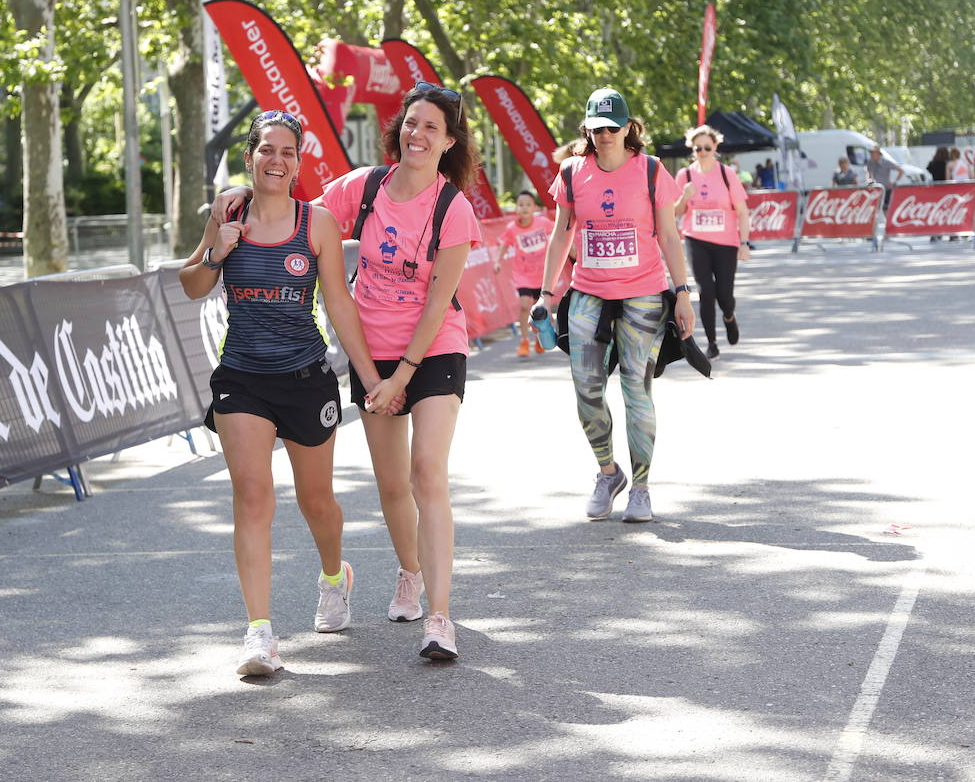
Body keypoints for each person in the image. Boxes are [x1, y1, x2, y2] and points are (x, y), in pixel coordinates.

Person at [214, 83, 482, 660]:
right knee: (390, 486)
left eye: (431, 127)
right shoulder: (362, 188)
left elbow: (438, 304)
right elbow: (287, 203)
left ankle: (440, 617)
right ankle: (408, 573)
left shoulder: (452, 209)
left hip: (431, 349)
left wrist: (403, 376)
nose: (417, 134)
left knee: (426, 472)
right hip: (371, 351)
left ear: (449, 140)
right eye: (411, 123)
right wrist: (239, 191)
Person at [182, 110, 399, 676]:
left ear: (298, 163)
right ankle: (259, 634)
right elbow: (191, 284)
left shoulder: (318, 223)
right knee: (253, 498)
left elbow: (339, 305)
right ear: (251, 156)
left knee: (316, 503)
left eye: (287, 153)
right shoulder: (227, 210)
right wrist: (217, 250)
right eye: (266, 151)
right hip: (242, 377)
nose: (276, 161)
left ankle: (335, 577)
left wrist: (371, 378)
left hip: (305, 376)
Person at [532, 87, 694, 526]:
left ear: (628, 129)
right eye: (596, 127)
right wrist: (546, 295)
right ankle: (608, 473)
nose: (604, 135)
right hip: (588, 294)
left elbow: (669, 235)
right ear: (586, 129)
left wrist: (682, 292)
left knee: (636, 391)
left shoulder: (652, 171)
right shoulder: (570, 172)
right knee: (586, 392)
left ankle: (641, 487)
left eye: (612, 127)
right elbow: (561, 233)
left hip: (643, 293)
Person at [674, 125, 751, 360]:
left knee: (724, 294)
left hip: (726, 241)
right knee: (705, 290)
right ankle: (711, 342)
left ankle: (729, 316)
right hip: (696, 239)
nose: (703, 151)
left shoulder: (727, 174)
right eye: (698, 148)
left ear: (715, 147)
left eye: (708, 147)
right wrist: (685, 196)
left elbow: (742, 211)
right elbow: (675, 212)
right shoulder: (684, 176)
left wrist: (744, 243)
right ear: (692, 149)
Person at [493, 190, 555, 356]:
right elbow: (504, 244)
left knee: (540, 311)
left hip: (543, 274)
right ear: (516, 208)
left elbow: (557, 237)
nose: (524, 208)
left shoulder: (543, 222)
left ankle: (540, 339)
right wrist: (498, 261)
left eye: (528, 204)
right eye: (521, 204)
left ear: (534, 207)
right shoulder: (512, 228)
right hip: (523, 275)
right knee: (524, 306)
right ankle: (524, 341)